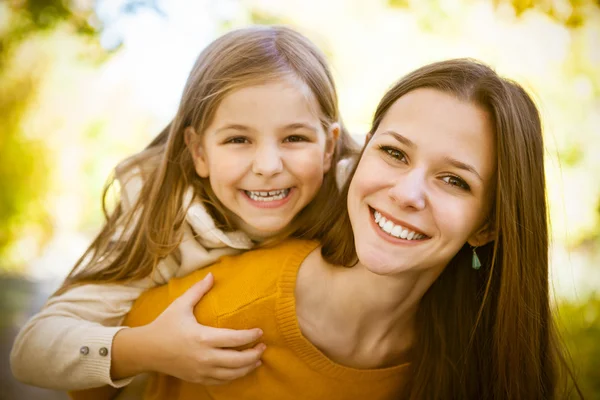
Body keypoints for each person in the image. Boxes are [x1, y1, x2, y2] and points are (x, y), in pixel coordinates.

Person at [72, 59, 582, 399]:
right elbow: (84, 378)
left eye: (454, 180)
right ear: (357, 159)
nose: (408, 193)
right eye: (394, 153)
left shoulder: (480, 366)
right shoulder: (216, 307)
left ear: (488, 226)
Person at [10, 25, 359, 393]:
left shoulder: (357, 200)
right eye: (238, 139)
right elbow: (32, 350)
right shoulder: (165, 223)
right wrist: (148, 350)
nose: (268, 165)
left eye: (294, 138)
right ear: (199, 152)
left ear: (328, 147)